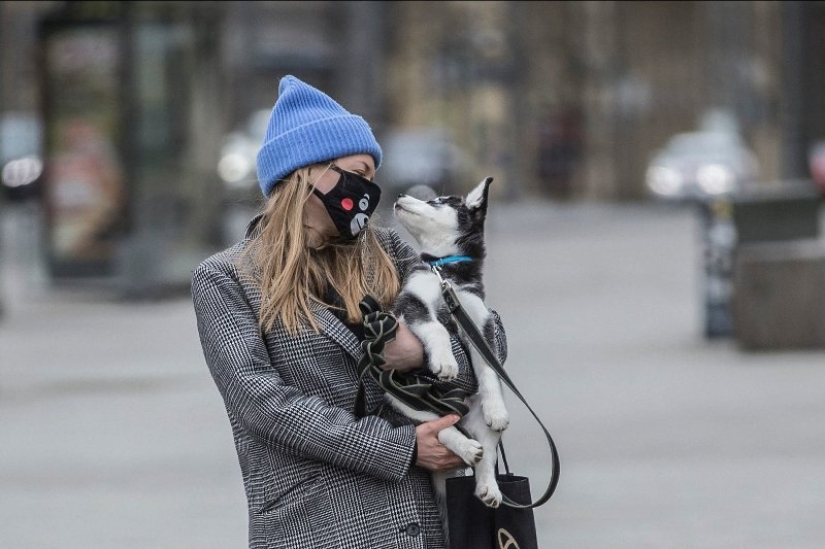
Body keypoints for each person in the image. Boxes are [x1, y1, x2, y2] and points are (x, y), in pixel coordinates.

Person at [192, 75, 508, 548]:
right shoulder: (226, 278)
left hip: (424, 525)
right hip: (315, 526)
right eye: (358, 173)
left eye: (372, 179)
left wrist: (421, 351)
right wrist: (401, 448)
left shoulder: (390, 253)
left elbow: (488, 335)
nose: (367, 191)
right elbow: (263, 404)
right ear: (308, 171)